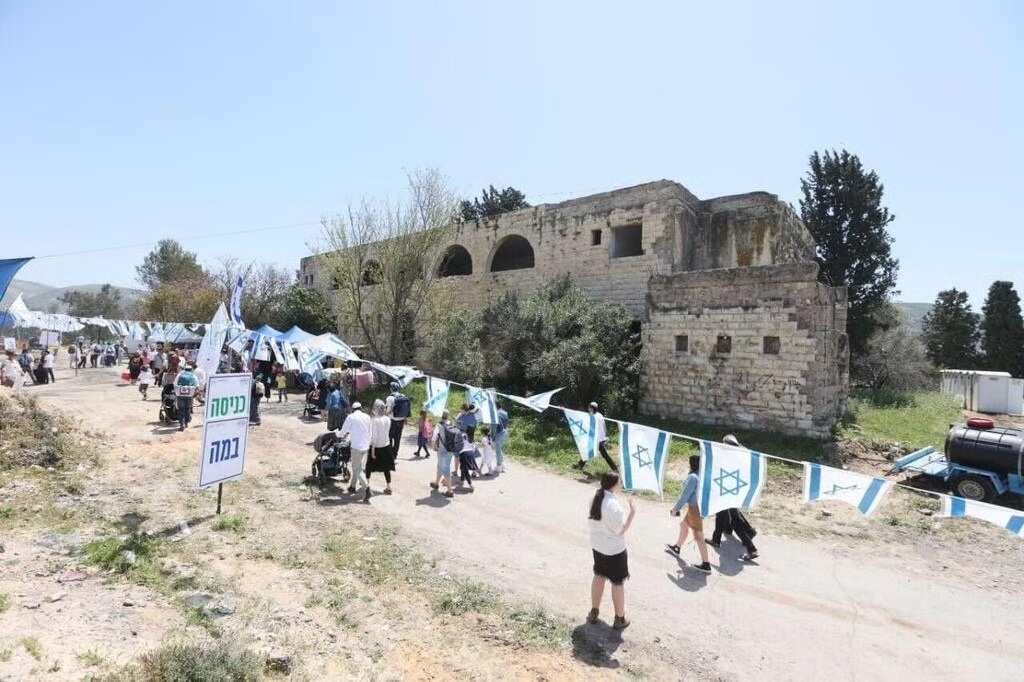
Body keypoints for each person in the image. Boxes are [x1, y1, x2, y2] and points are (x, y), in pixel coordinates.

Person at [587, 472, 636, 631]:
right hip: (614, 550)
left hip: (597, 546)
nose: (620, 484)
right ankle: (619, 618)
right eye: (619, 482)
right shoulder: (613, 506)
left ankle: (594, 611)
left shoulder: (594, 497)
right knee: (617, 582)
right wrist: (632, 514)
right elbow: (620, 531)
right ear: (614, 485)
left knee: (599, 575)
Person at [708, 435, 760, 562]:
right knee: (722, 514)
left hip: (729, 491)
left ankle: (751, 549)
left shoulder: (734, 456)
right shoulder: (741, 454)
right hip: (731, 490)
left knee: (735, 520)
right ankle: (718, 538)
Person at [666, 455, 712, 573]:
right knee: (684, 525)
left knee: (698, 536)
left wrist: (676, 509)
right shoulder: (704, 475)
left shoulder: (692, 477)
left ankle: (706, 564)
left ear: (691, 464)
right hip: (700, 507)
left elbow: (684, 495)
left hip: (694, 509)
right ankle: (677, 547)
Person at [337, 402, 371, 497]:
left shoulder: (351, 417)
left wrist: (338, 434)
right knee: (357, 467)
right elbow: (370, 432)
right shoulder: (367, 417)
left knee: (357, 469)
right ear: (361, 408)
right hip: (366, 447)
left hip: (356, 447)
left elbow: (343, 431)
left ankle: (367, 488)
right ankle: (352, 486)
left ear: (353, 409)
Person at [574, 402, 618, 473]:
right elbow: (604, 426)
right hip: (599, 438)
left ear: (591, 408)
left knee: (604, 455)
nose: (588, 409)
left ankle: (615, 469)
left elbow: (580, 417)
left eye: (589, 408)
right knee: (589, 451)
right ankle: (580, 465)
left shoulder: (593, 416)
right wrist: (605, 436)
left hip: (598, 439)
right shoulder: (599, 415)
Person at [365, 399, 396, 501]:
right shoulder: (388, 419)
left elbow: (374, 437)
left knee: (369, 466)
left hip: (376, 447)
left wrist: (372, 449)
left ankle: (367, 485)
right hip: (386, 446)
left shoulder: (374, 421)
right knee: (386, 468)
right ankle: (388, 486)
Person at [429, 410, 458, 499]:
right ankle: (436, 483)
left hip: (442, 451)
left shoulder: (439, 425)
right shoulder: (451, 424)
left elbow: (434, 438)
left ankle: (450, 491)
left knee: (445, 469)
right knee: (440, 466)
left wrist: (433, 448)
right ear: (447, 416)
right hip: (450, 450)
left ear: (441, 416)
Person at [385, 382, 411, 460]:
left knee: (389, 438)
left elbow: (388, 410)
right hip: (401, 421)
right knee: (397, 439)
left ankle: (390, 454)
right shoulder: (403, 396)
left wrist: (384, 415)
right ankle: (395, 455)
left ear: (391, 388)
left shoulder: (390, 398)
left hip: (392, 421)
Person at [173, 364, 199, 431]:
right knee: (188, 409)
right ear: (191, 370)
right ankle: (186, 423)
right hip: (190, 395)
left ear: (184, 369)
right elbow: (197, 386)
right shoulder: (193, 376)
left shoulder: (179, 375)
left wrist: (176, 392)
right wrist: (196, 393)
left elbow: (175, 384)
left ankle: (182, 424)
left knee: (181, 409)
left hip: (180, 394)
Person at [494, 404, 509, 474]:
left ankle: (498, 466)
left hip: (499, 433)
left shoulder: (497, 414)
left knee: (498, 450)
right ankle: (503, 465)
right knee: (501, 449)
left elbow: (497, 425)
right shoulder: (505, 413)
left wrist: (493, 434)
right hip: (505, 432)